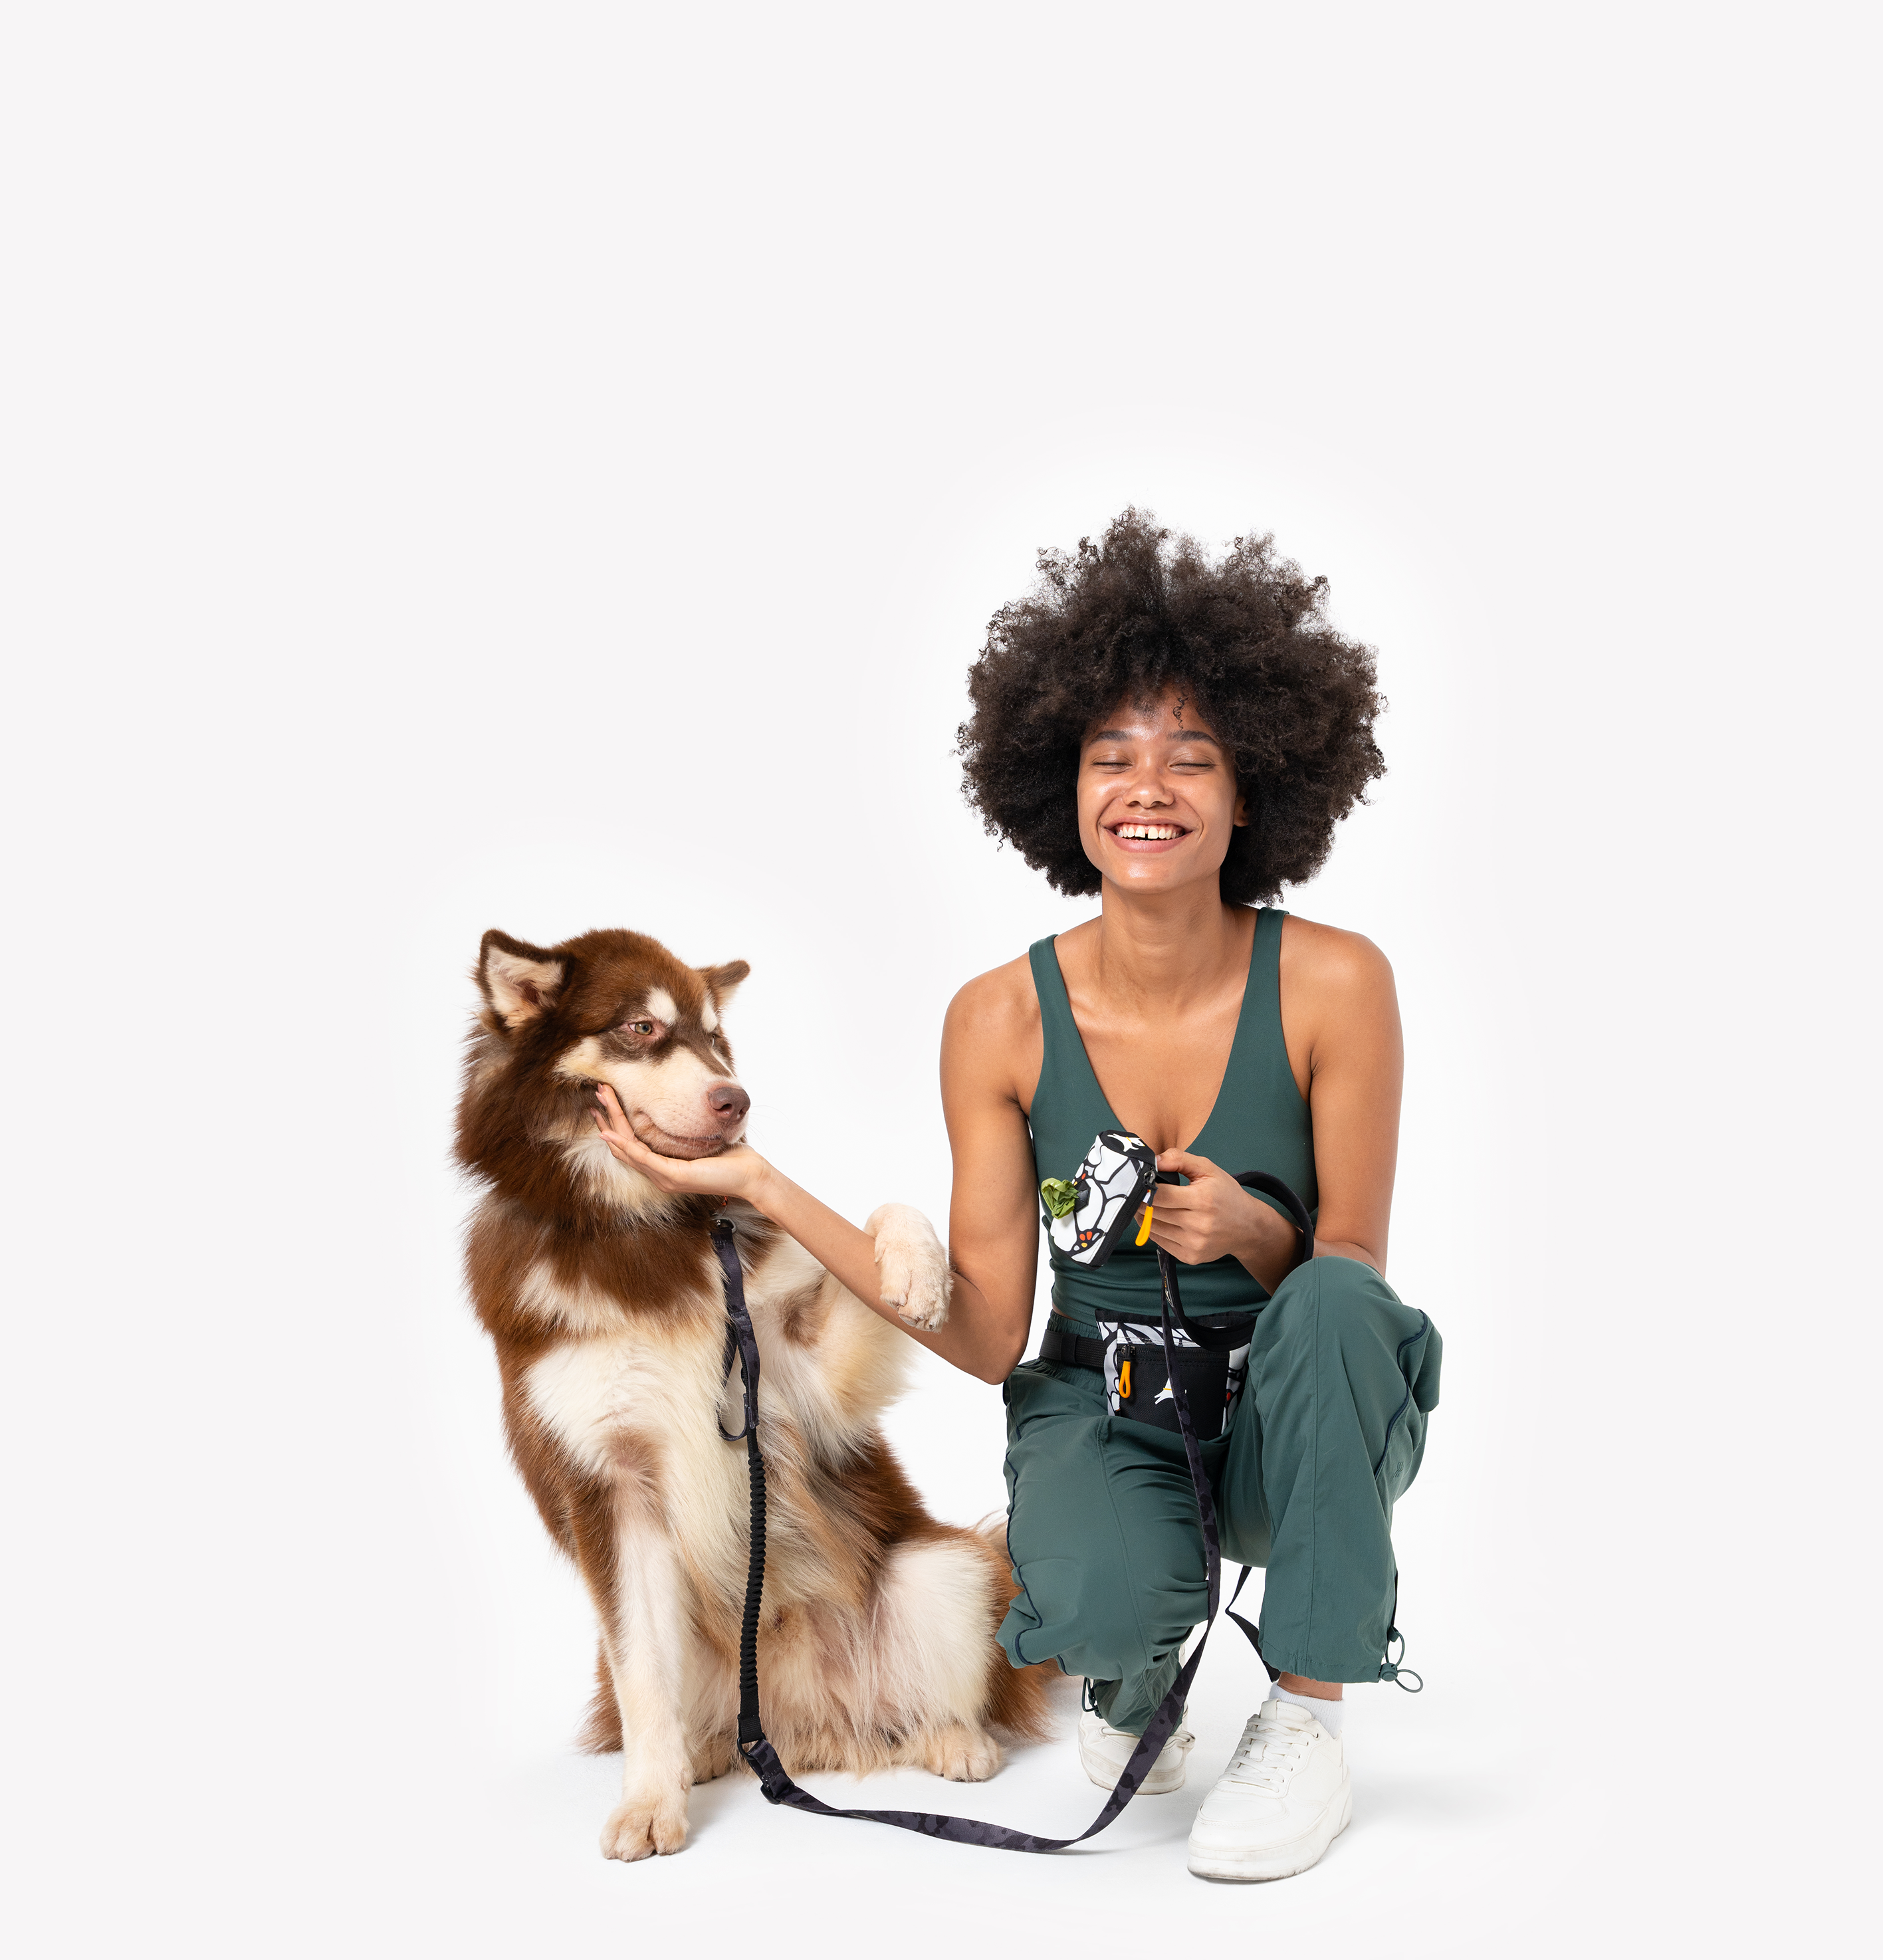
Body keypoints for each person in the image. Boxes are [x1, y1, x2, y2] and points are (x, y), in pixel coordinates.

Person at [594, 509, 1441, 1883]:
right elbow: (988, 1333)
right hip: (1112, 1408)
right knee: (1097, 1610)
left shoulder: (1340, 984)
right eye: (1111, 757)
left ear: (1255, 787)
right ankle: (1130, 1682)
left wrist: (1257, 1233)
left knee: (1340, 1305)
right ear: (1061, 783)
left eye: (1191, 756)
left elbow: (1350, 1269)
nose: (1146, 787)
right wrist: (757, 1182)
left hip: (1298, 1424)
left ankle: (1307, 1718)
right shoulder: (999, 1020)